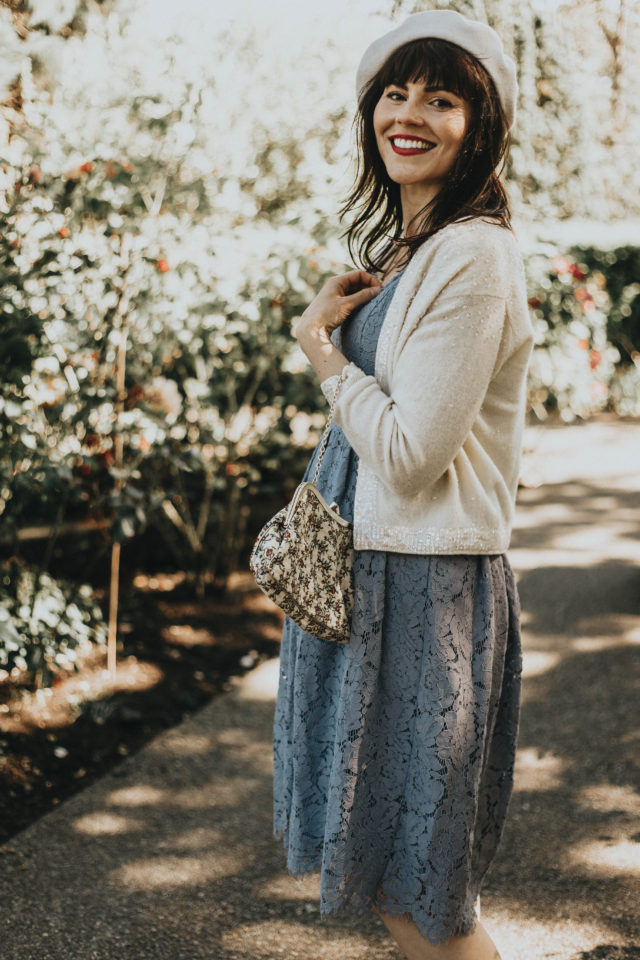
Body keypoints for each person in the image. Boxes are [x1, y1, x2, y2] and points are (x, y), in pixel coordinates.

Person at [272, 10, 534, 960]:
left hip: (425, 589)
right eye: (394, 92)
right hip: (383, 574)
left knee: (418, 895)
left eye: (441, 96)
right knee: (399, 883)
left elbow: (414, 453)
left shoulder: (472, 255)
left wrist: (322, 353)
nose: (408, 113)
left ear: (481, 124)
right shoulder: (420, 250)